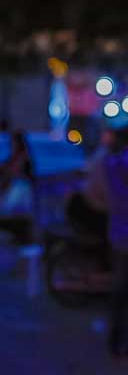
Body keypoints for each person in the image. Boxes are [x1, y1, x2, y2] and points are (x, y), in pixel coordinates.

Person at [100, 127, 128, 358]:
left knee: (119, 291)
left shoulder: (111, 163)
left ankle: (115, 341)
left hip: (117, 233)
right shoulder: (121, 163)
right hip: (122, 232)